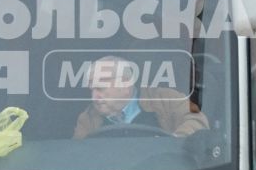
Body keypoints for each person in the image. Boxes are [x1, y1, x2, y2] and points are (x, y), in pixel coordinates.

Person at [73, 55, 207, 139]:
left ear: (125, 84)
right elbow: (78, 156)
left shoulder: (164, 99)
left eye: (100, 88)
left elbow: (196, 119)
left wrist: (176, 141)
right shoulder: (88, 119)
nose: (94, 97)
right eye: (91, 90)